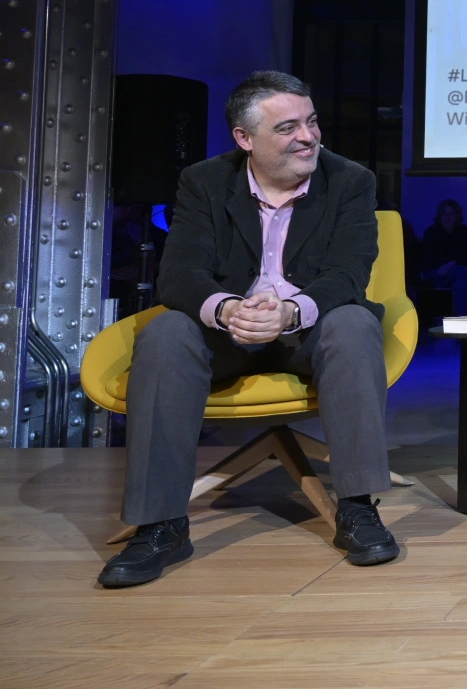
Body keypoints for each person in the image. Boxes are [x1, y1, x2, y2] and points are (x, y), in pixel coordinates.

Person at [98, 71, 400, 588]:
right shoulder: (204, 181)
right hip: (227, 336)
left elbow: (347, 275)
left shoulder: (350, 180)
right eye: (287, 128)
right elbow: (180, 274)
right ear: (245, 139)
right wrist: (227, 309)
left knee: (352, 322)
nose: (308, 136)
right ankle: (160, 524)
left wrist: (289, 311)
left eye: (311, 122)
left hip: (309, 331)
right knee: (167, 334)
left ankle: (357, 508)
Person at [420, 198, 467, 316]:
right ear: (440, 216)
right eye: (444, 213)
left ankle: (460, 325)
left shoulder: (465, 232)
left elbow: (464, 256)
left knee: (460, 285)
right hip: (435, 273)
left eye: (451, 213)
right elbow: (430, 258)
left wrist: (450, 265)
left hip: (457, 272)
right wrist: (455, 265)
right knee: (462, 271)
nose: (447, 217)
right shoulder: (432, 232)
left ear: (457, 216)